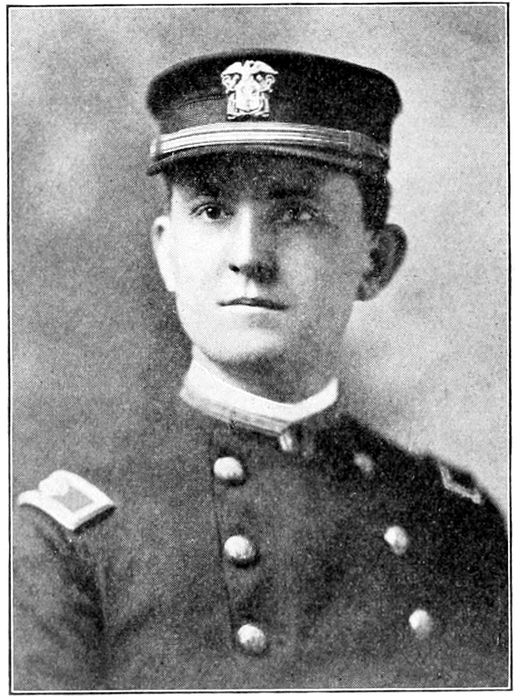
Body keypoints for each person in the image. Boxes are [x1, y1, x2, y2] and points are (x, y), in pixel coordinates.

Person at [13, 49, 508, 690]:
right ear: (167, 253)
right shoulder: (68, 542)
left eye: (296, 212)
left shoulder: (453, 524)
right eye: (212, 211)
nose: (249, 256)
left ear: (376, 261)